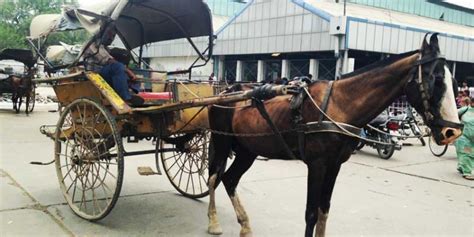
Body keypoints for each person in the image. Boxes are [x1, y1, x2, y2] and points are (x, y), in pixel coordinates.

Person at [83, 23, 143, 106]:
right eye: (110, 35)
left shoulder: (104, 47)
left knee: (122, 68)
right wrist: (128, 71)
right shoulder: (93, 44)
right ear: (103, 33)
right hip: (94, 75)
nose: (111, 38)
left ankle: (130, 92)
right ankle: (125, 97)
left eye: (113, 36)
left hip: (102, 74)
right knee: (118, 67)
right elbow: (109, 60)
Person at [455, 96, 474, 180]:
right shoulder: (465, 110)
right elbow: (453, 114)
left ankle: (461, 166)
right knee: (467, 154)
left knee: (470, 154)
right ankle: (467, 172)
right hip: (465, 138)